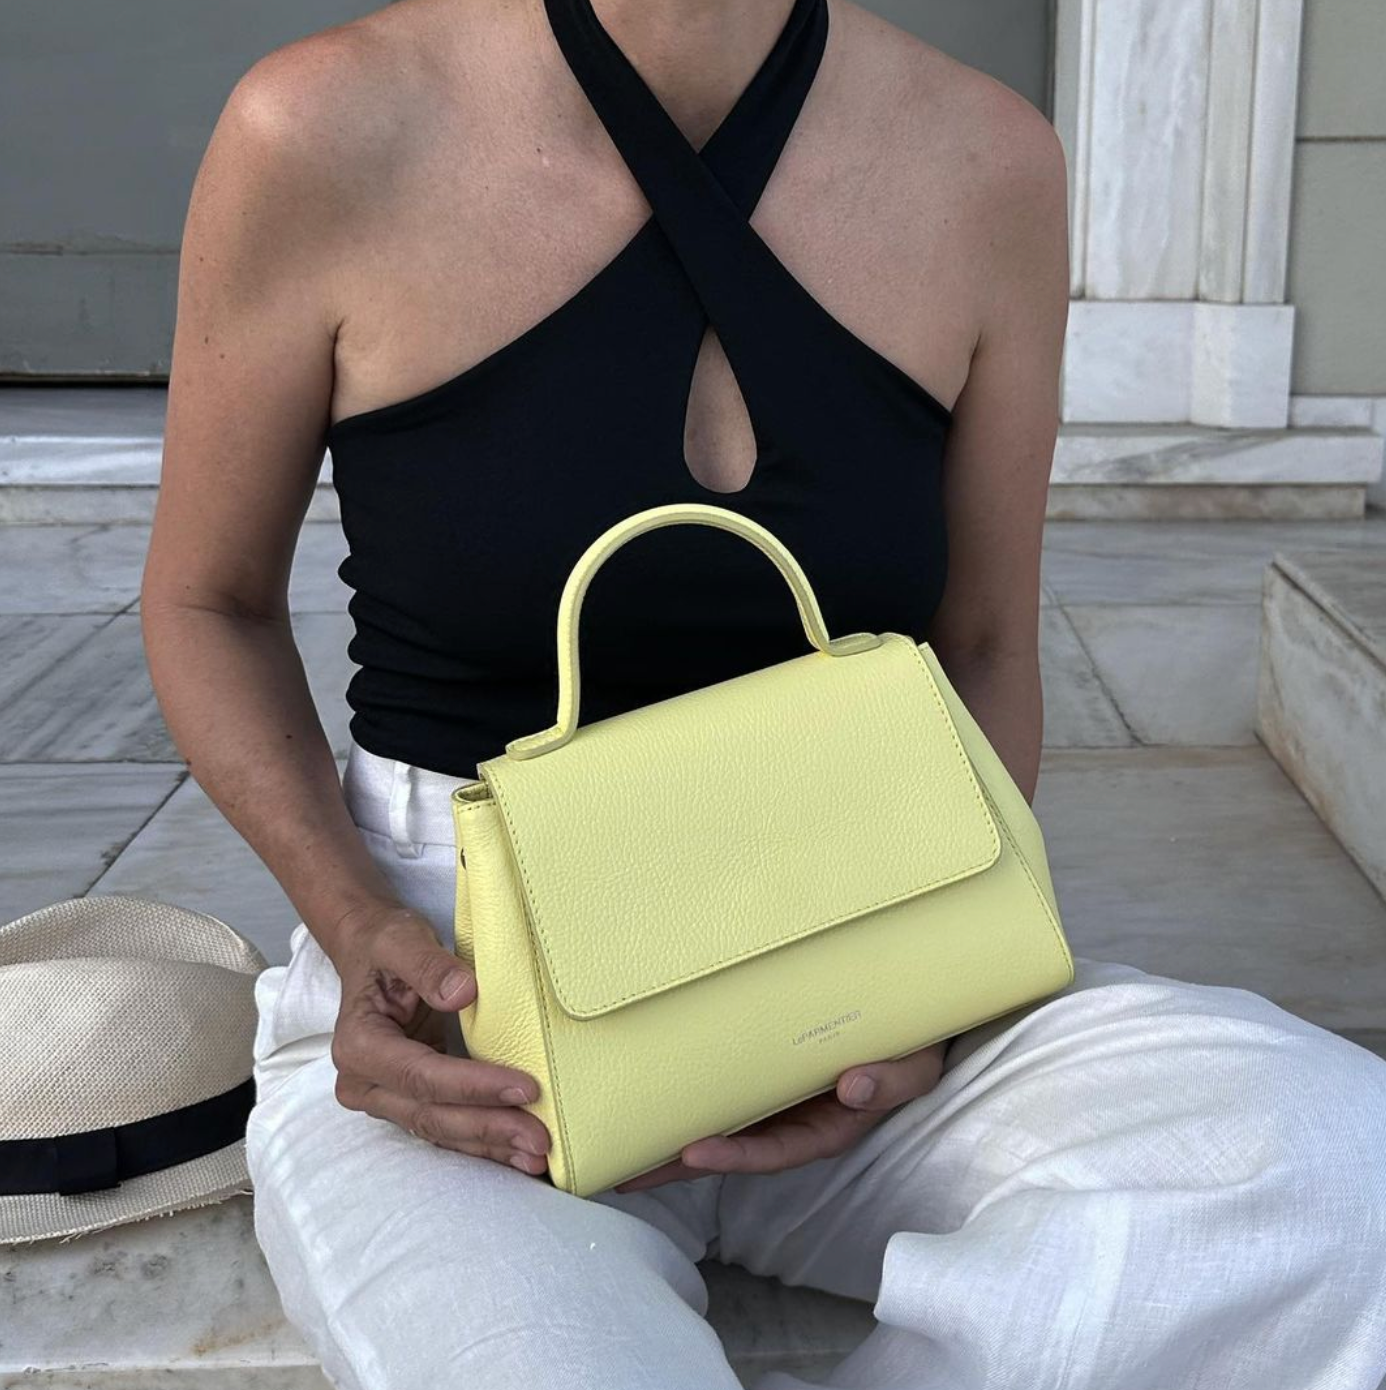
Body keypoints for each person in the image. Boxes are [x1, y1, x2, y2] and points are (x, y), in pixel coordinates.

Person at [139, 0, 1386, 1385]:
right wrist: (354, 916)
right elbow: (208, 604)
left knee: (1342, 1175)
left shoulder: (986, 159)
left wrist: (924, 992)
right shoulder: (325, 127)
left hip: (853, 951)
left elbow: (981, 640)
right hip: (468, 1014)